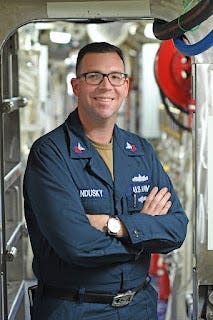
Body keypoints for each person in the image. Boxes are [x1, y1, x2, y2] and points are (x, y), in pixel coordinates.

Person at [23, 42, 188, 320]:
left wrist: (115, 225)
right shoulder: (50, 154)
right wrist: (144, 230)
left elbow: (176, 229)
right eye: (94, 76)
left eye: (115, 77)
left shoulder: (140, 151)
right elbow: (77, 246)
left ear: (125, 85)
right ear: (76, 85)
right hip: (75, 309)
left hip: (140, 307)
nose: (106, 86)